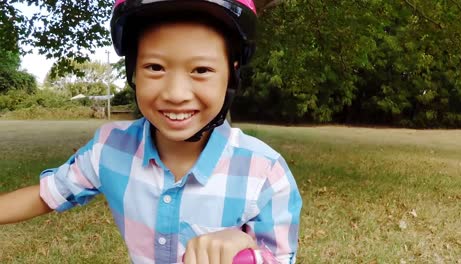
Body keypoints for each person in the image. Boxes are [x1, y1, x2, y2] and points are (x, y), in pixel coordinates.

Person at [0, 0, 302, 263]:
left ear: (232, 74)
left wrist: (245, 247)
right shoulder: (110, 149)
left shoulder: (265, 173)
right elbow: (49, 193)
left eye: (201, 70)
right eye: (156, 67)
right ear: (133, 70)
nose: (175, 93)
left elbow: (279, 256)